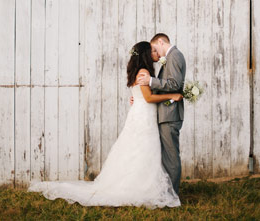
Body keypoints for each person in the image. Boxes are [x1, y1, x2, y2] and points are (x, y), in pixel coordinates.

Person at [28, 41, 181, 208]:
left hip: (141, 113)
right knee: (143, 149)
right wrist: (172, 95)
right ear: (145, 54)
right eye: (151, 51)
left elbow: (141, 95)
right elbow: (149, 98)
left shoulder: (138, 71)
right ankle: (139, 187)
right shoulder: (144, 71)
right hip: (143, 116)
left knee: (139, 150)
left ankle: (140, 184)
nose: (155, 53)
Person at [136, 33, 186, 196]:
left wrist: (151, 81)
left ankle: (172, 195)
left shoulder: (175, 55)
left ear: (161, 41)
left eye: (155, 49)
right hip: (165, 113)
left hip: (170, 114)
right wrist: (139, 97)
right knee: (166, 157)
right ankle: (167, 192)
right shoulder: (170, 58)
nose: (155, 53)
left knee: (171, 157)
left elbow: (174, 84)